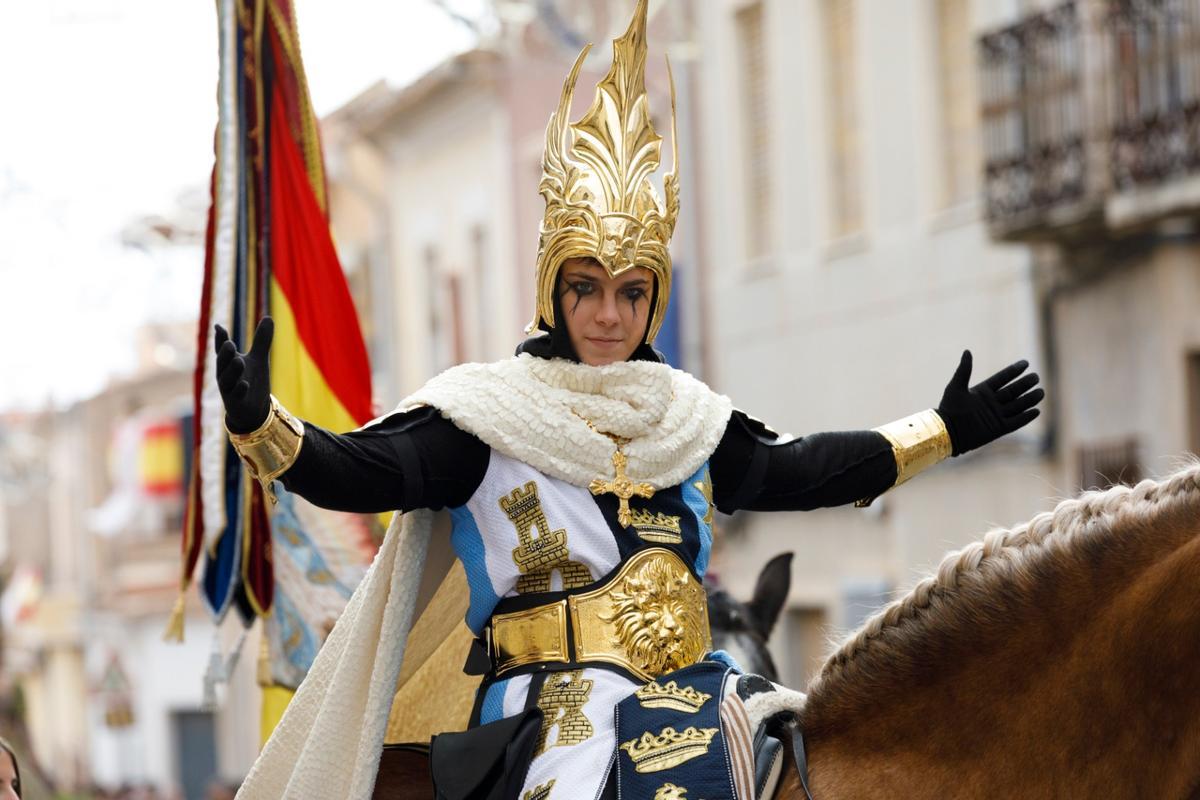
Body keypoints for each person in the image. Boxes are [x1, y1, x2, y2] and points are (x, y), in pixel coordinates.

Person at [222, 2, 1043, 797]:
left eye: (631, 291)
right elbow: (362, 472)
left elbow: (797, 471)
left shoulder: (685, 419)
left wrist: (942, 430)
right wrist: (266, 425)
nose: (609, 314)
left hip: (695, 690)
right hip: (556, 711)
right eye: (586, 288)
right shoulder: (485, 417)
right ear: (553, 291)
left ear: (654, 299)